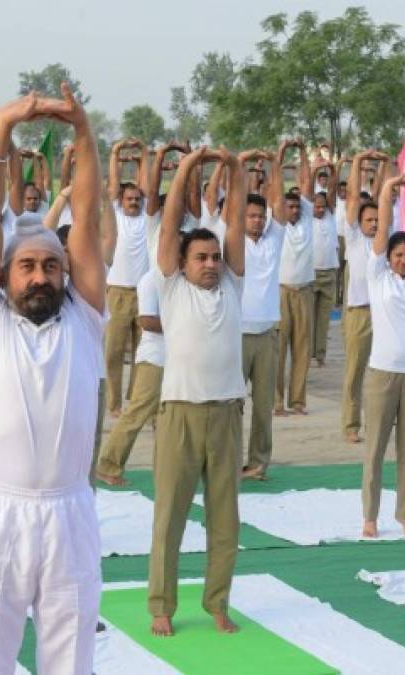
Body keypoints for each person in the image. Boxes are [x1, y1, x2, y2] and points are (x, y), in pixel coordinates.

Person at [0, 85, 106, 673]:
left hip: (70, 516)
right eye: (27, 266)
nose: (40, 276)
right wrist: (2, 126)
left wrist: (84, 130)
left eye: (50, 265)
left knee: (71, 662)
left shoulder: (84, 319)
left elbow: (87, 215)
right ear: (3, 276)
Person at [148, 144, 245, 637]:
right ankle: (162, 604)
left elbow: (236, 220)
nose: (210, 264)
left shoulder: (232, 285)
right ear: (182, 263)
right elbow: (169, 226)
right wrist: (188, 165)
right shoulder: (171, 287)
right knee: (171, 515)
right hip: (180, 412)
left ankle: (218, 602)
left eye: (214, 257)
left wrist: (232, 167)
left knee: (225, 518)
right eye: (200, 257)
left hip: (227, 413)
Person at [361, 175, 405, 538]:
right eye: (398, 255)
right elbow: (385, 224)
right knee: (374, 449)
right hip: (382, 373)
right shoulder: (378, 276)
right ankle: (370, 517)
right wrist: (391, 186)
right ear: (387, 258)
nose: (404, 260)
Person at [238, 151, 284, 480]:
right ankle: (227, 459)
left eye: (259, 216)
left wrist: (276, 163)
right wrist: (240, 164)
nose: (256, 220)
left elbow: (279, 200)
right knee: (231, 403)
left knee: (263, 405)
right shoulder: (231, 240)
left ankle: (258, 462)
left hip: (267, 334)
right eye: (250, 215)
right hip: (236, 334)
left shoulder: (274, 239)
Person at [96, 267, 164, 486]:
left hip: (177, 360)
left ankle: (166, 469)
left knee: (167, 418)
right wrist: (181, 325)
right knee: (136, 413)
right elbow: (146, 321)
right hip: (154, 359)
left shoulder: (182, 281)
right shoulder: (150, 280)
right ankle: (108, 465)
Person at [340, 149, 388, 443]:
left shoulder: (384, 241)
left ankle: (377, 423)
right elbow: (355, 198)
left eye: (376, 220)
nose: (373, 224)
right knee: (355, 371)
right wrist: (358, 163)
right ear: (359, 222)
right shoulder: (355, 237)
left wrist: (384, 166)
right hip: (359, 312)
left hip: (383, 313)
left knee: (379, 372)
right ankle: (350, 425)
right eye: (368, 220)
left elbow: (382, 196)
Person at [103, 138, 151, 417]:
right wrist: (116, 151)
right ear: (121, 200)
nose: (133, 202)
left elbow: (146, 185)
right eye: (129, 199)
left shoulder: (146, 217)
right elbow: (112, 184)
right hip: (118, 292)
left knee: (142, 353)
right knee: (113, 352)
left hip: (144, 293)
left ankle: (135, 401)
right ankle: (114, 403)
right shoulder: (115, 215)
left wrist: (144, 153)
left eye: (137, 199)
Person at [272, 139, 315, 416]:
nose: (295, 210)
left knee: (302, 349)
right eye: (290, 207)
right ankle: (277, 401)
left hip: (305, 291)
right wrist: (281, 154)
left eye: (298, 206)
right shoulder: (275, 224)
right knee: (279, 350)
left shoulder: (308, 218)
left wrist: (301, 153)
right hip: (281, 292)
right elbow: (276, 186)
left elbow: (307, 182)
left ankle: (297, 401)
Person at [311, 156, 339, 367]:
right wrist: (314, 169)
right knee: (309, 318)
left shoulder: (330, 215)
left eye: (322, 206)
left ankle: (320, 354)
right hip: (310, 274)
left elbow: (332, 190)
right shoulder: (304, 217)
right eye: (316, 206)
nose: (320, 209)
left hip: (329, 272)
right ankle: (307, 352)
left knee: (323, 318)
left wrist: (332, 168)